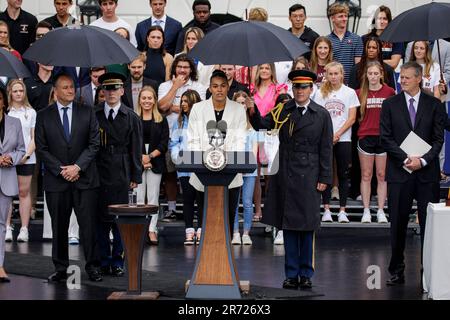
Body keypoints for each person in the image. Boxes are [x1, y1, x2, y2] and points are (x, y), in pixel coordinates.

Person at [251, 70, 333, 289]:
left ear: (311, 89)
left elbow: (326, 149)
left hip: (310, 173)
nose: (300, 91)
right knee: (288, 226)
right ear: (292, 89)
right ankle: (291, 273)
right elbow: (262, 123)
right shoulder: (283, 110)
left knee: (307, 225)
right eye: (296, 87)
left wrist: (325, 177)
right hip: (286, 170)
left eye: (304, 87)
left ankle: (306, 273)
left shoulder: (321, 114)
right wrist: (251, 109)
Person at [380, 61, 446, 286]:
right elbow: (385, 137)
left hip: (427, 174)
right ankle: (396, 269)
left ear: (419, 78)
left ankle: (429, 268)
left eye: (407, 77)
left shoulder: (435, 104)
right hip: (399, 173)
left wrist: (424, 160)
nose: (402, 81)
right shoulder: (389, 104)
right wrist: (406, 159)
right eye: (401, 77)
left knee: (430, 224)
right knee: (397, 223)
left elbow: (439, 138)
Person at [35, 73, 103, 282]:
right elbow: (42, 148)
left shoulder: (87, 112)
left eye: (72, 87)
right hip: (57, 181)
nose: (71, 90)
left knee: (89, 226)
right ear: (55, 91)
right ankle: (61, 268)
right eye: (65, 87)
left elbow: (94, 143)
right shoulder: (44, 115)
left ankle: (92, 266)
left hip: (85, 180)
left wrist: (77, 167)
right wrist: (61, 169)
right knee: (59, 226)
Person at [187, 70, 247, 237]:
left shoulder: (238, 109)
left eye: (222, 86)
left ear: (228, 87)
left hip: (230, 173)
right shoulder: (198, 109)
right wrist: (206, 161)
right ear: (210, 88)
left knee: (227, 222)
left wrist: (224, 160)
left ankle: (225, 259)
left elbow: (240, 139)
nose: (219, 90)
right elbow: (193, 139)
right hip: (202, 173)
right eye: (215, 86)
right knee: (205, 222)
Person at [94, 72, 142, 277]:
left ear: (122, 91)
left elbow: (136, 148)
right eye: (108, 89)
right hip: (99, 169)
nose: (112, 93)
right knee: (101, 219)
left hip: (122, 169)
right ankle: (103, 259)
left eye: (116, 89)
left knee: (120, 218)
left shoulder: (131, 116)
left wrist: (135, 176)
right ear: (102, 92)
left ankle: (117, 260)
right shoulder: (94, 114)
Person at [158, 54, 206, 221]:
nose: (182, 70)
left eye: (186, 67)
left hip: (190, 139)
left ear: (191, 69)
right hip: (168, 136)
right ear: (174, 68)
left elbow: (197, 109)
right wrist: (175, 87)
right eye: (179, 67)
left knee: (193, 177)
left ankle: (193, 210)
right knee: (170, 174)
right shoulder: (165, 86)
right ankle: (171, 209)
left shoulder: (198, 87)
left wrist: (172, 107)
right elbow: (162, 107)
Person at [314, 62, 359, 223]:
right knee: (326, 173)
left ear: (342, 74)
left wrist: (338, 134)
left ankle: (342, 210)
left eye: (336, 74)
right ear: (326, 75)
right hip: (325, 138)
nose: (333, 77)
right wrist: (328, 136)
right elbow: (317, 117)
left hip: (344, 138)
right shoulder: (320, 93)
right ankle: (326, 209)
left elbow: (352, 117)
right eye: (330, 74)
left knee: (343, 174)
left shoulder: (350, 92)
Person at [356, 61, 395, 223]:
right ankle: (366, 210)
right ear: (366, 75)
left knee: (382, 175)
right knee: (366, 175)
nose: (372, 76)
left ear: (381, 74)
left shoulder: (390, 92)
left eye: (375, 73)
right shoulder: (359, 93)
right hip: (365, 137)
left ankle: (380, 211)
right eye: (370, 73)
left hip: (383, 138)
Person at [4, 80, 36, 242]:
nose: (18, 94)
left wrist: (25, 156)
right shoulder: (6, 112)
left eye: (21, 91)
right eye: (15, 91)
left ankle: (24, 228)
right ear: (10, 93)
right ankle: (7, 227)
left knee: (24, 192)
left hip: (27, 158)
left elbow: (33, 137)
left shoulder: (30, 112)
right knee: (7, 193)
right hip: (8, 158)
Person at [136, 86, 168, 245]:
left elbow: (164, 144)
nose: (147, 101)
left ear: (154, 100)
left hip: (155, 159)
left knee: (153, 197)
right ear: (139, 100)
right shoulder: (133, 118)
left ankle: (152, 229)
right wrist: (140, 158)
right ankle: (141, 229)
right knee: (140, 197)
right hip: (137, 160)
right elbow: (130, 142)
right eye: (144, 98)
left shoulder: (161, 119)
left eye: (150, 98)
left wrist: (149, 157)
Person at [169, 89, 203, 245]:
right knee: (188, 200)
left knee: (201, 200)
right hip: (184, 169)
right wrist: (178, 158)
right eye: (181, 101)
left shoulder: (204, 122)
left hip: (201, 167)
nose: (182, 104)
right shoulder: (179, 122)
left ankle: (201, 230)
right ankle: (189, 231)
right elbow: (174, 143)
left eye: (185, 101)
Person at [0, 85, 26, 283]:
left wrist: (11, 158)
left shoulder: (15, 123)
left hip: (6, 179)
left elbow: (21, 149)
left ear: (3, 101)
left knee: (1, 225)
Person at [231, 91, 258, 246]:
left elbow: (254, 151)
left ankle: (246, 233)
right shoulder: (230, 126)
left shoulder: (252, 127)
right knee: (234, 202)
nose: (241, 106)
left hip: (249, 169)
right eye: (238, 103)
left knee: (247, 202)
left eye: (243, 103)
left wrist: (245, 165)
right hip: (234, 168)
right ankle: (235, 232)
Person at [327, 2, 363, 84]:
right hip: (333, 83)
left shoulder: (356, 39)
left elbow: (358, 66)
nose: (344, 19)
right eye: (340, 16)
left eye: (346, 16)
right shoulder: (327, 40)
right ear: (333, 18)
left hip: (351, 84)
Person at [362, 5, 403, 70]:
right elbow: (362, 61)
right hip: (369, 75)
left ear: (389, 21)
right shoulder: (364, 39)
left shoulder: (396, 39)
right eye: (379, 18)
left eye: (385, 19)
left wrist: (372, 61)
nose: (381, 22)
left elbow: (394, 63)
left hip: (388, 77)